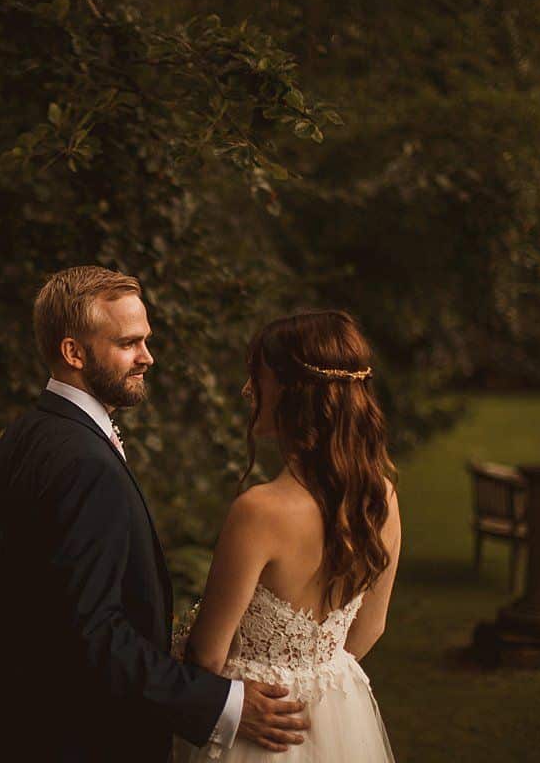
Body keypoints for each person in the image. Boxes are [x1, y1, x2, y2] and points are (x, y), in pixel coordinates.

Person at [0, 266, 310, 762]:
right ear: (74, 353)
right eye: (129, 343)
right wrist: (221, 704)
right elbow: (91, 632)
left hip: (24, 726)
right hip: (79, 740)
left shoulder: (27, 433)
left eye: (146, 341)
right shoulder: (84, 463)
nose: (147, 358)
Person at [171, 310, 401, 762]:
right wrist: (316, 680)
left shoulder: (259, 511)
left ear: (290, 391)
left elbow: (207, 657)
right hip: (336, 718)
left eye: (257, 377)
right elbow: (371, 626)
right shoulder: (382, 498)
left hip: (259, 729)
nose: (247, 391)